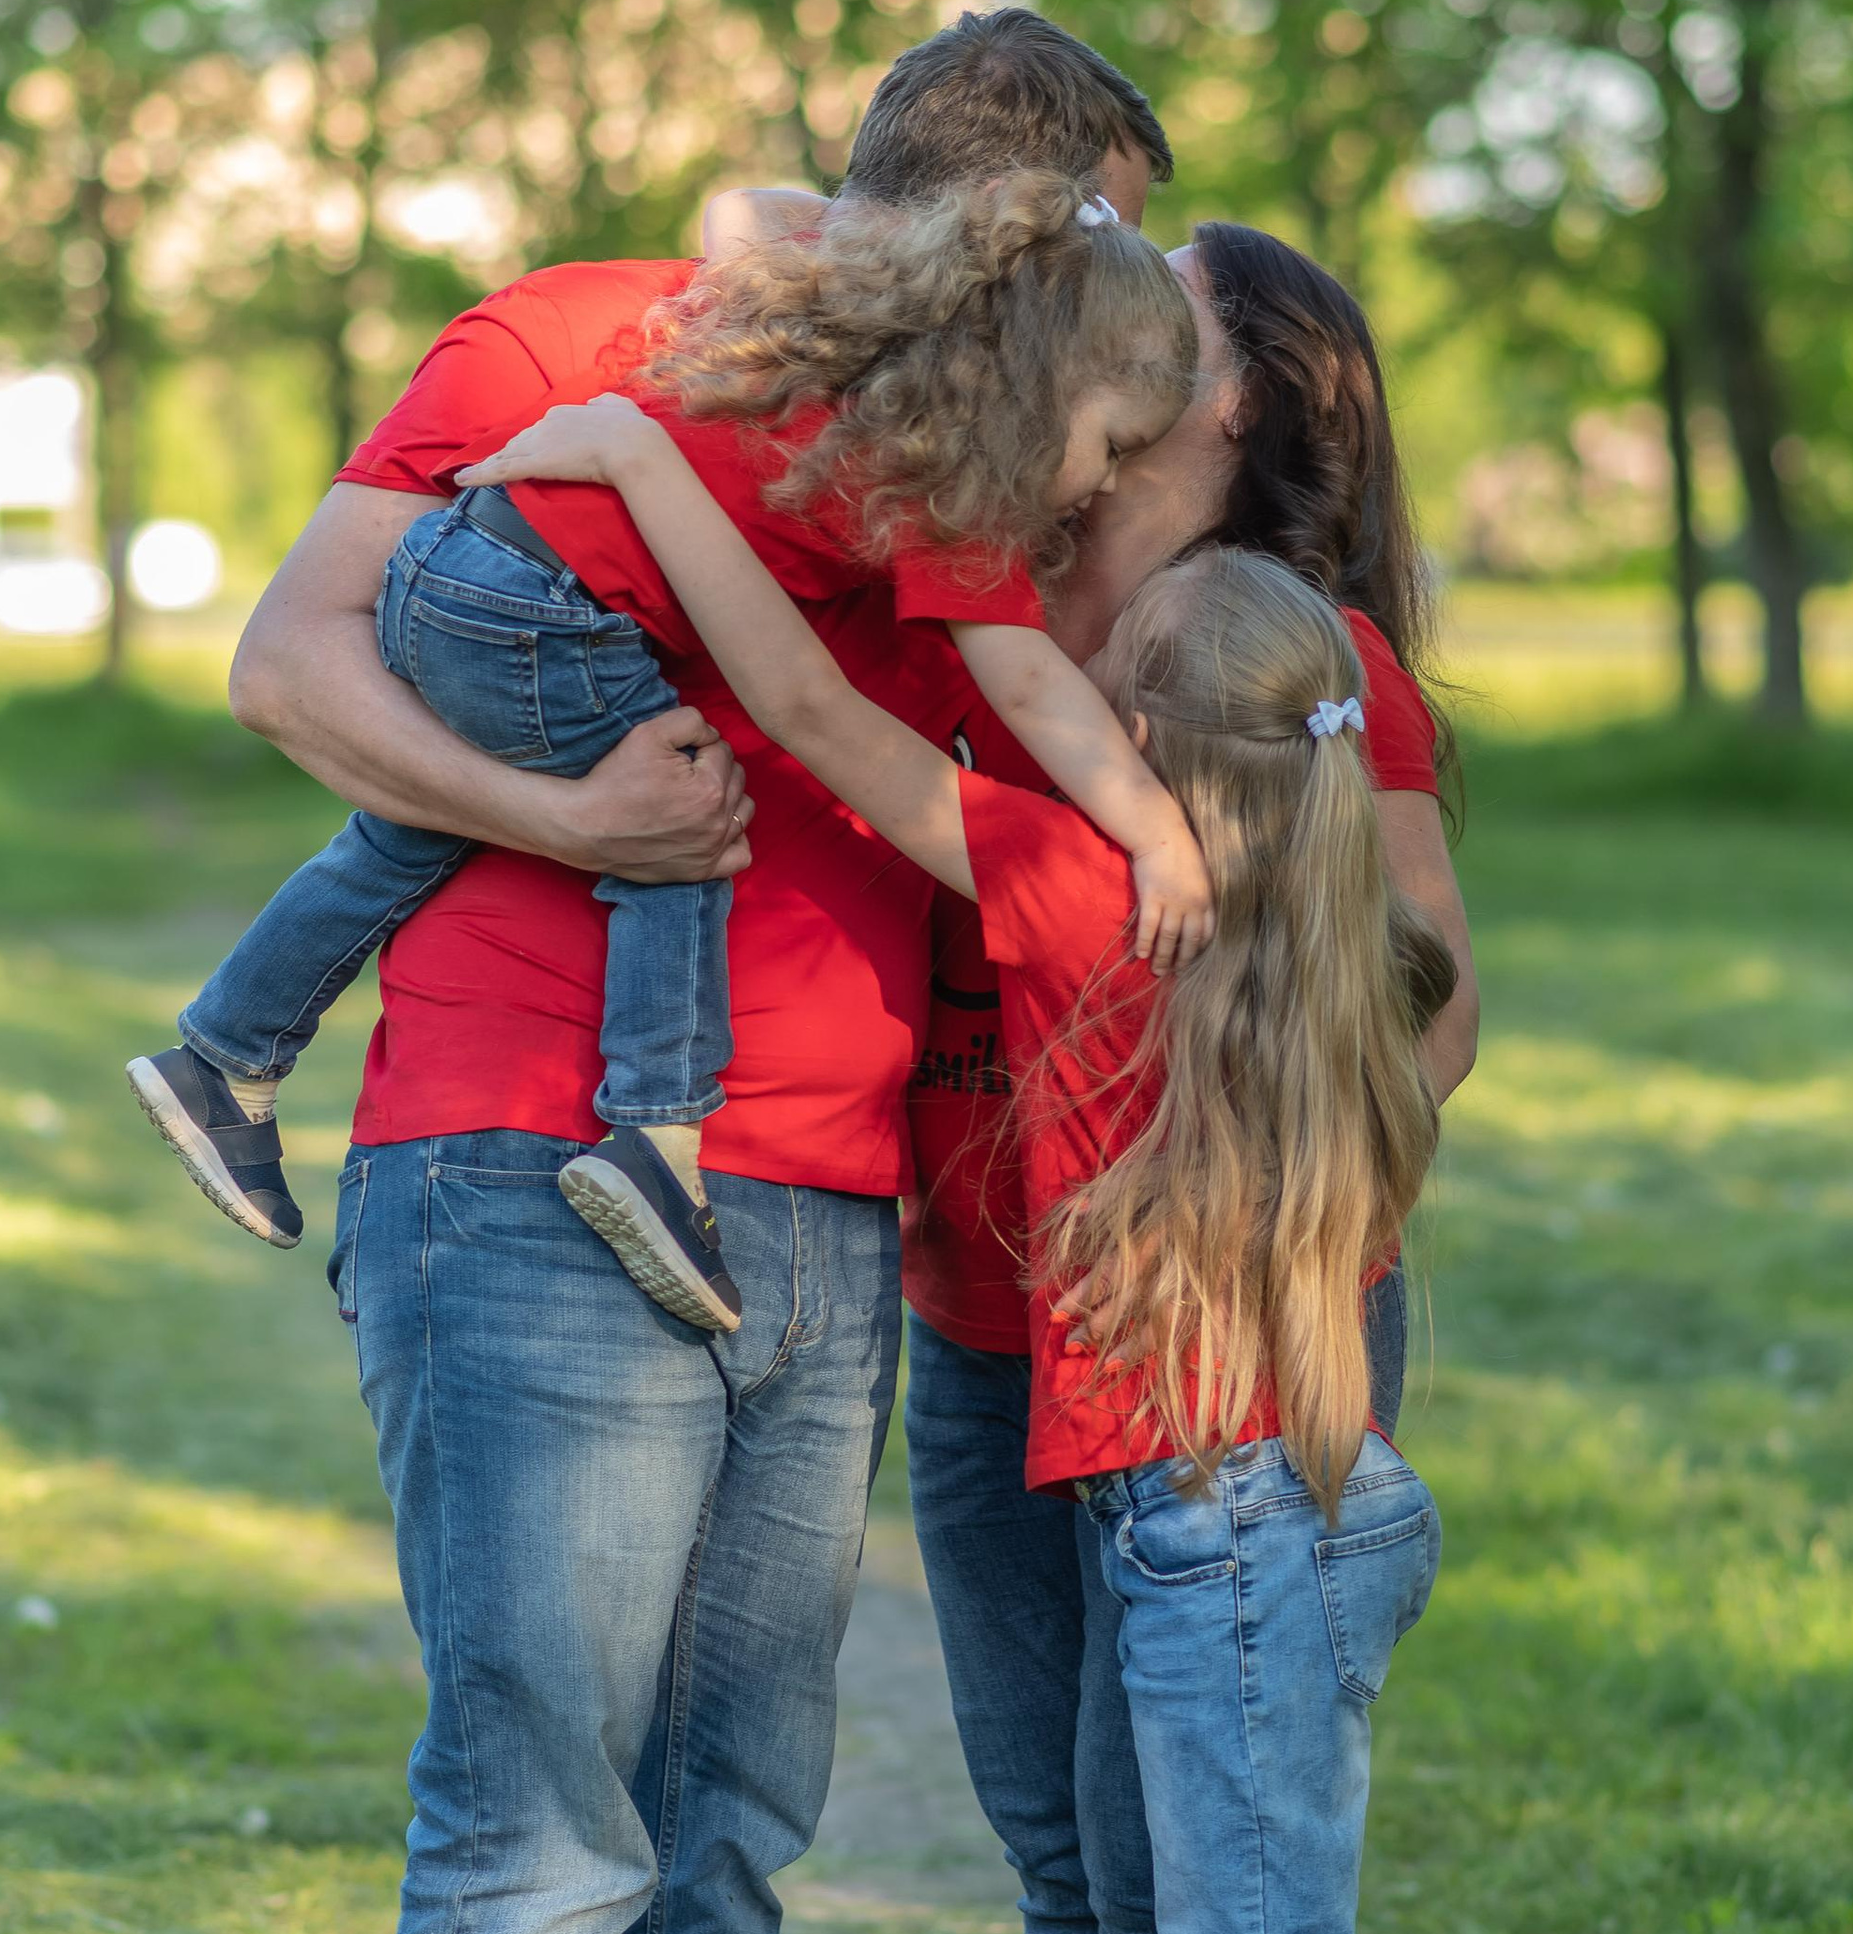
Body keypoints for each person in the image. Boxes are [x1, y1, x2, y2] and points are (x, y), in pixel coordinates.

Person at [225, 8, 1173, 1934]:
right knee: (547, 1819)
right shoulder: (562, 335)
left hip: (823, 1186)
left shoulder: (969, 436)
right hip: (532, 1169)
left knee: (733, 1821)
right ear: (997, 210)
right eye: (1093, 234)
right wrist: (562, 810)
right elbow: (296, 667)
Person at [454, 398, 1448, 1934]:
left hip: (1211, 1529)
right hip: (1309, 1500)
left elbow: (808, 709)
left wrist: (662, 462)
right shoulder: (1325, 943)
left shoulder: (1094, 893)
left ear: (1134, 753)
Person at [908, 224, 1477, 1934]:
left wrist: (1237, 1224)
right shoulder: (1014, 593)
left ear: (1229, 401)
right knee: (1073, 1857)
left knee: (1211, 1917)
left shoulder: (1260, 670)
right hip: (997, 1338)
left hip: (1218, 1361)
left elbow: (1417, 988)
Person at [129, 175, 1204, 1333]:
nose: (1101, 484)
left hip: (469, 569)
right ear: (1038, 383)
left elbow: (747, 205)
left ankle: (225, 1048)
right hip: (548, 602)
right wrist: (1159, 836)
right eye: (1111, 444)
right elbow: (1032, 684)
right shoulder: (944, 484)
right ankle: (652, 1136)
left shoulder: (857, 360)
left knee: (413, 824)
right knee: (682, 816)